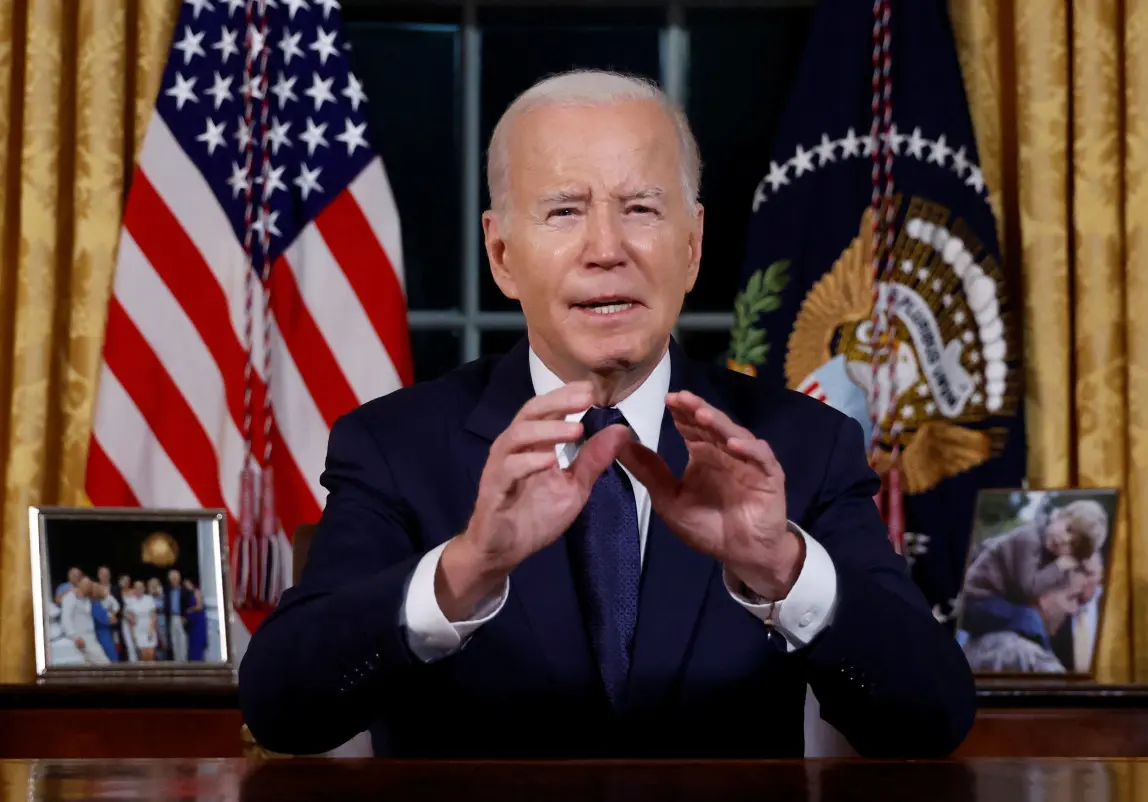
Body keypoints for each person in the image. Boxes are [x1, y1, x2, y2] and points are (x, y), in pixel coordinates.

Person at [238, 69, 975, 759]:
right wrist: (467, 570)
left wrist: (780, 567)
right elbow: (283, 711)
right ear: (501, 253)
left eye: (642, 209)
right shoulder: (395, 446)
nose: (606, 249)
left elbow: (931, 718)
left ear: (692, 248)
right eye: (564, 211)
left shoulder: (802, 444)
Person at [962, 500, 1107, 609]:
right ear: (1058, 516)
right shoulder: (1029, 538)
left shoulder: (1051, 552)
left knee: (1029, 619)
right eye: (1068, 529)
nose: (1064, 540)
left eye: (1072, 545)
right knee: (1028, 620)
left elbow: (1050, 587)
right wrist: (1060, 565)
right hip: (976, 593)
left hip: (995, 597)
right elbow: (1029, 588)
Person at [125, 580, 159, 662]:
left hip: (149, 628)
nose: (139, 589)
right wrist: (132, 630)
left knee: (151, 654)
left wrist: (151, 629)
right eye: (137, 587)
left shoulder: (149, 599)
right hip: (138, 629)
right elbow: (128, 615)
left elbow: (153, 615)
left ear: (144, 589)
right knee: (143, 655)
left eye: (141, 587)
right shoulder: (130, 600)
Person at [164, 569, 188, 661]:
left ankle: (183, 661)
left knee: (182, 640)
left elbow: (188, 605)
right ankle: (176, 660)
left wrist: (185, 617)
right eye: (171, 579)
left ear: (179, 579)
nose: (173, 580)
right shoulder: (168, 590)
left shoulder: (184, 590)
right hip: (171, 617)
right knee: (174, 640)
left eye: (175, 578)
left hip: (181, 617)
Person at [183, 578, 208, 661]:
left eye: (188, 584)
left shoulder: (196, 592)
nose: (186, 586)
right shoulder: (189, 594)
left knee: (197, 642)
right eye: (185, 585)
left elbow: (199, 606)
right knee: (192, 643)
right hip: (192, 622)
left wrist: (190, 609)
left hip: (198, 620)